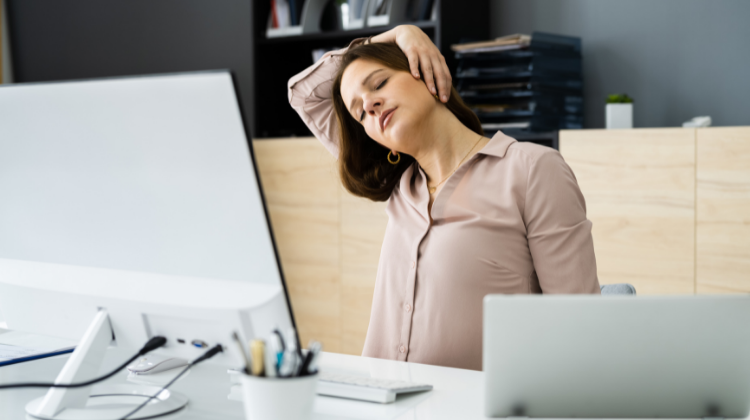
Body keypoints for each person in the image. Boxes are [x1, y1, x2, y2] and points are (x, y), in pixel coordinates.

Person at [288, 25, 600, 371]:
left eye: (379, 84)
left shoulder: (530, 170)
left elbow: (578, 327)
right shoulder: (402, 188)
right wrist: (393, 36)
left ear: (425, 70)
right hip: (382, 402)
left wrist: (401, 42)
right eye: (360, 113)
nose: (371, 106)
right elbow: (303, 95)